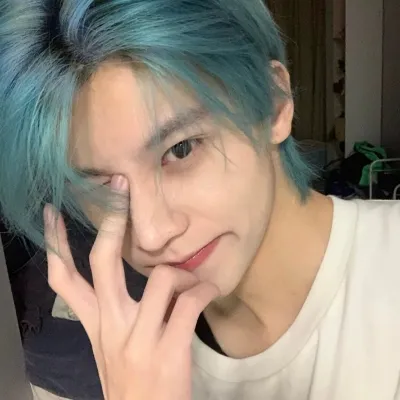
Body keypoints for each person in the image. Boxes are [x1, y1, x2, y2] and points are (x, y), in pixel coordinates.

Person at [1, 1, 400, 399]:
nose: (152, 236)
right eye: (103, 187)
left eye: (181, 150)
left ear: (274, 104)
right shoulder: (132, 362)